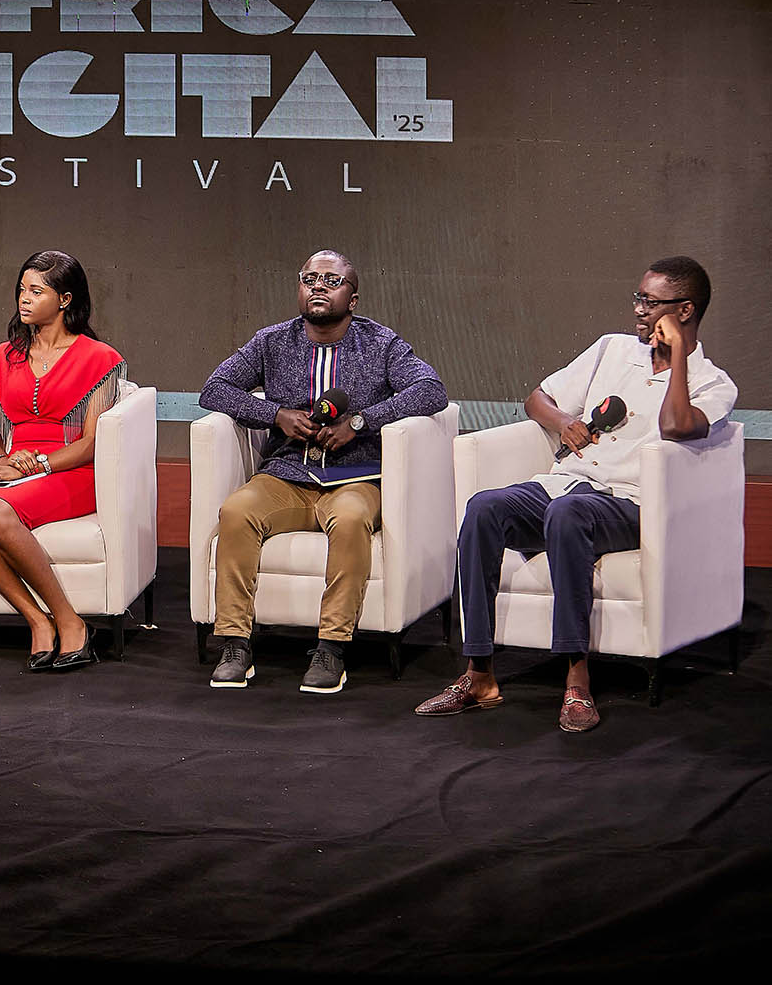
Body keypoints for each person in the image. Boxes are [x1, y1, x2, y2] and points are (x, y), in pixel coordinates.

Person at [416, 256, 736, 731]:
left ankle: (576, 678)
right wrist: (565, 421)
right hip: (562, 484)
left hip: (628, 502)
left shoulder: (712, 382)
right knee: (484, 508)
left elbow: (675, 426)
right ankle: (479, 673)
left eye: (651, 302)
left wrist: (677, 360)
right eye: (639, 298)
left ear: (684, 310)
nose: (639, 309)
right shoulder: (611, 350)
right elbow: (537, 399)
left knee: (568, 514)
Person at [200, 249, 448, 693]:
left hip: (356, 477)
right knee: (236, 511)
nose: (318, 286)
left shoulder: (381, 344)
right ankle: (235, 642)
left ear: (352, 299)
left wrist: (361, 423)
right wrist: (276, 415)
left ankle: (332, 646)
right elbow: (214, 389)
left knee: (350, 519)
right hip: (287, 474)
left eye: (332, 280)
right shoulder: (272, 342)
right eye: (309, 278)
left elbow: (430, 390)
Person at [0, 250, 126, 672]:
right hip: (16, 471)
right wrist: (5, 461)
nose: (24, 299)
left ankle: (70, 621)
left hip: (71, 470)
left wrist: (37, 464)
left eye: (36, 291)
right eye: (22, 289)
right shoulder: (4, 357)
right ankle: (37, 619)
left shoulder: (99, 358)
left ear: (64, 300)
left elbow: (91, 444)